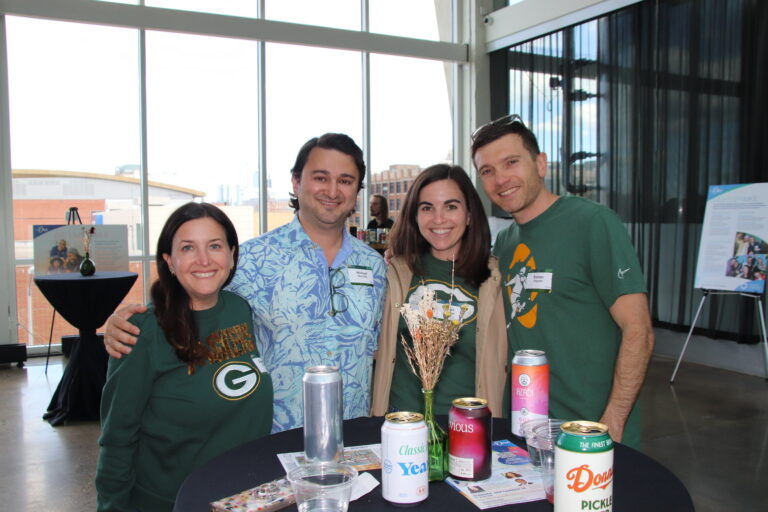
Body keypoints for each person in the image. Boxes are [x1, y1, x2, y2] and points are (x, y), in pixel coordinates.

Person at [103, 133, 386, 433]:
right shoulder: (252, 260)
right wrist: (126, 324)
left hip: (354, 438)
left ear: (357, 190)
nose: (332, 190)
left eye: (345, 180)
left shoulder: (374, 266)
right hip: (272, 441)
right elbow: (187, 301)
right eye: (320, 177)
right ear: (295, 182)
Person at [471, 115, 654, 447]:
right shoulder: (506, 242)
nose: (501, 179)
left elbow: (638, 331)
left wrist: (612, 423)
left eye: (511, 162)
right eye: (487, 171)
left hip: (591, 432)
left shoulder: (593, 224)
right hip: (526, 431)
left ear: (540, 164)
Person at [95, 202, 273, 512]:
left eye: (215, 246)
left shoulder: (240, 309)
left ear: (232, 254)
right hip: (174, 502)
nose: (204, 259)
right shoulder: (141, 331)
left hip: (242, 496)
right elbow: (117, 437)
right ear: (169, 261)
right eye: (188, 248)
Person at [371, 164, 507, 417]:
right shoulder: (395, 273)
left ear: (469, 215)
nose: (439, 218)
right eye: (427, 208)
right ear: (415, 215)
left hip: (468, 426)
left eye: (451, 206)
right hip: (401, 421)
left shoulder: (495, 279)